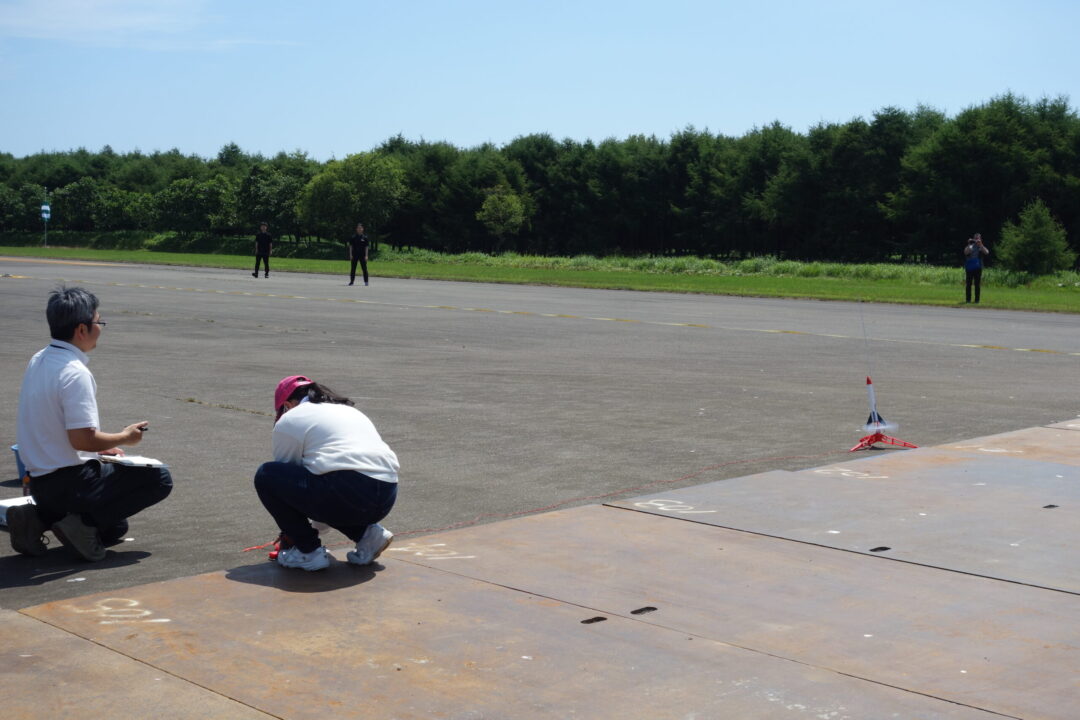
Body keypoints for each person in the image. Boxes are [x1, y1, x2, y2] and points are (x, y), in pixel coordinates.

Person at [10, 287, 173, 561]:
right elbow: (82, 440)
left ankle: (38, 517)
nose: (101, 328)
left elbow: (55, 430)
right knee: (160, 478)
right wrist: (124, 437)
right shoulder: (74, 373)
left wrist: (98, 451)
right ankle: (77, 524)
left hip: (39, 481)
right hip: (70, 482)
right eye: (99, 322)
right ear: (82, 329)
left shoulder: (38, 359)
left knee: (115, 528)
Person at [253, 375, 398, 571]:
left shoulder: (291, 419)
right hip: (386, 494)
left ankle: (308, 553)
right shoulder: (346, 410)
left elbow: (291, 491)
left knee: (266, 475)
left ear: (287, 404)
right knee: (329, 485)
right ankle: (368, 536)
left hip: (344, 491)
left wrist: (296, 535)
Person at [964, 233, 989, 303]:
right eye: (975, 238)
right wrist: (969, 244)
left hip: (978, 267)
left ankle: (977, 300)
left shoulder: (981, 246)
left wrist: (980, 245)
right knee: (968, 284)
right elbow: (965, 252)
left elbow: (987, 252)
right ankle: (968, 300)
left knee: (977, 284)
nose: (976, 240)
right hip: (969, 267)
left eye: (978, 238)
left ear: (980, 239)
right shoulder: (970, 246)